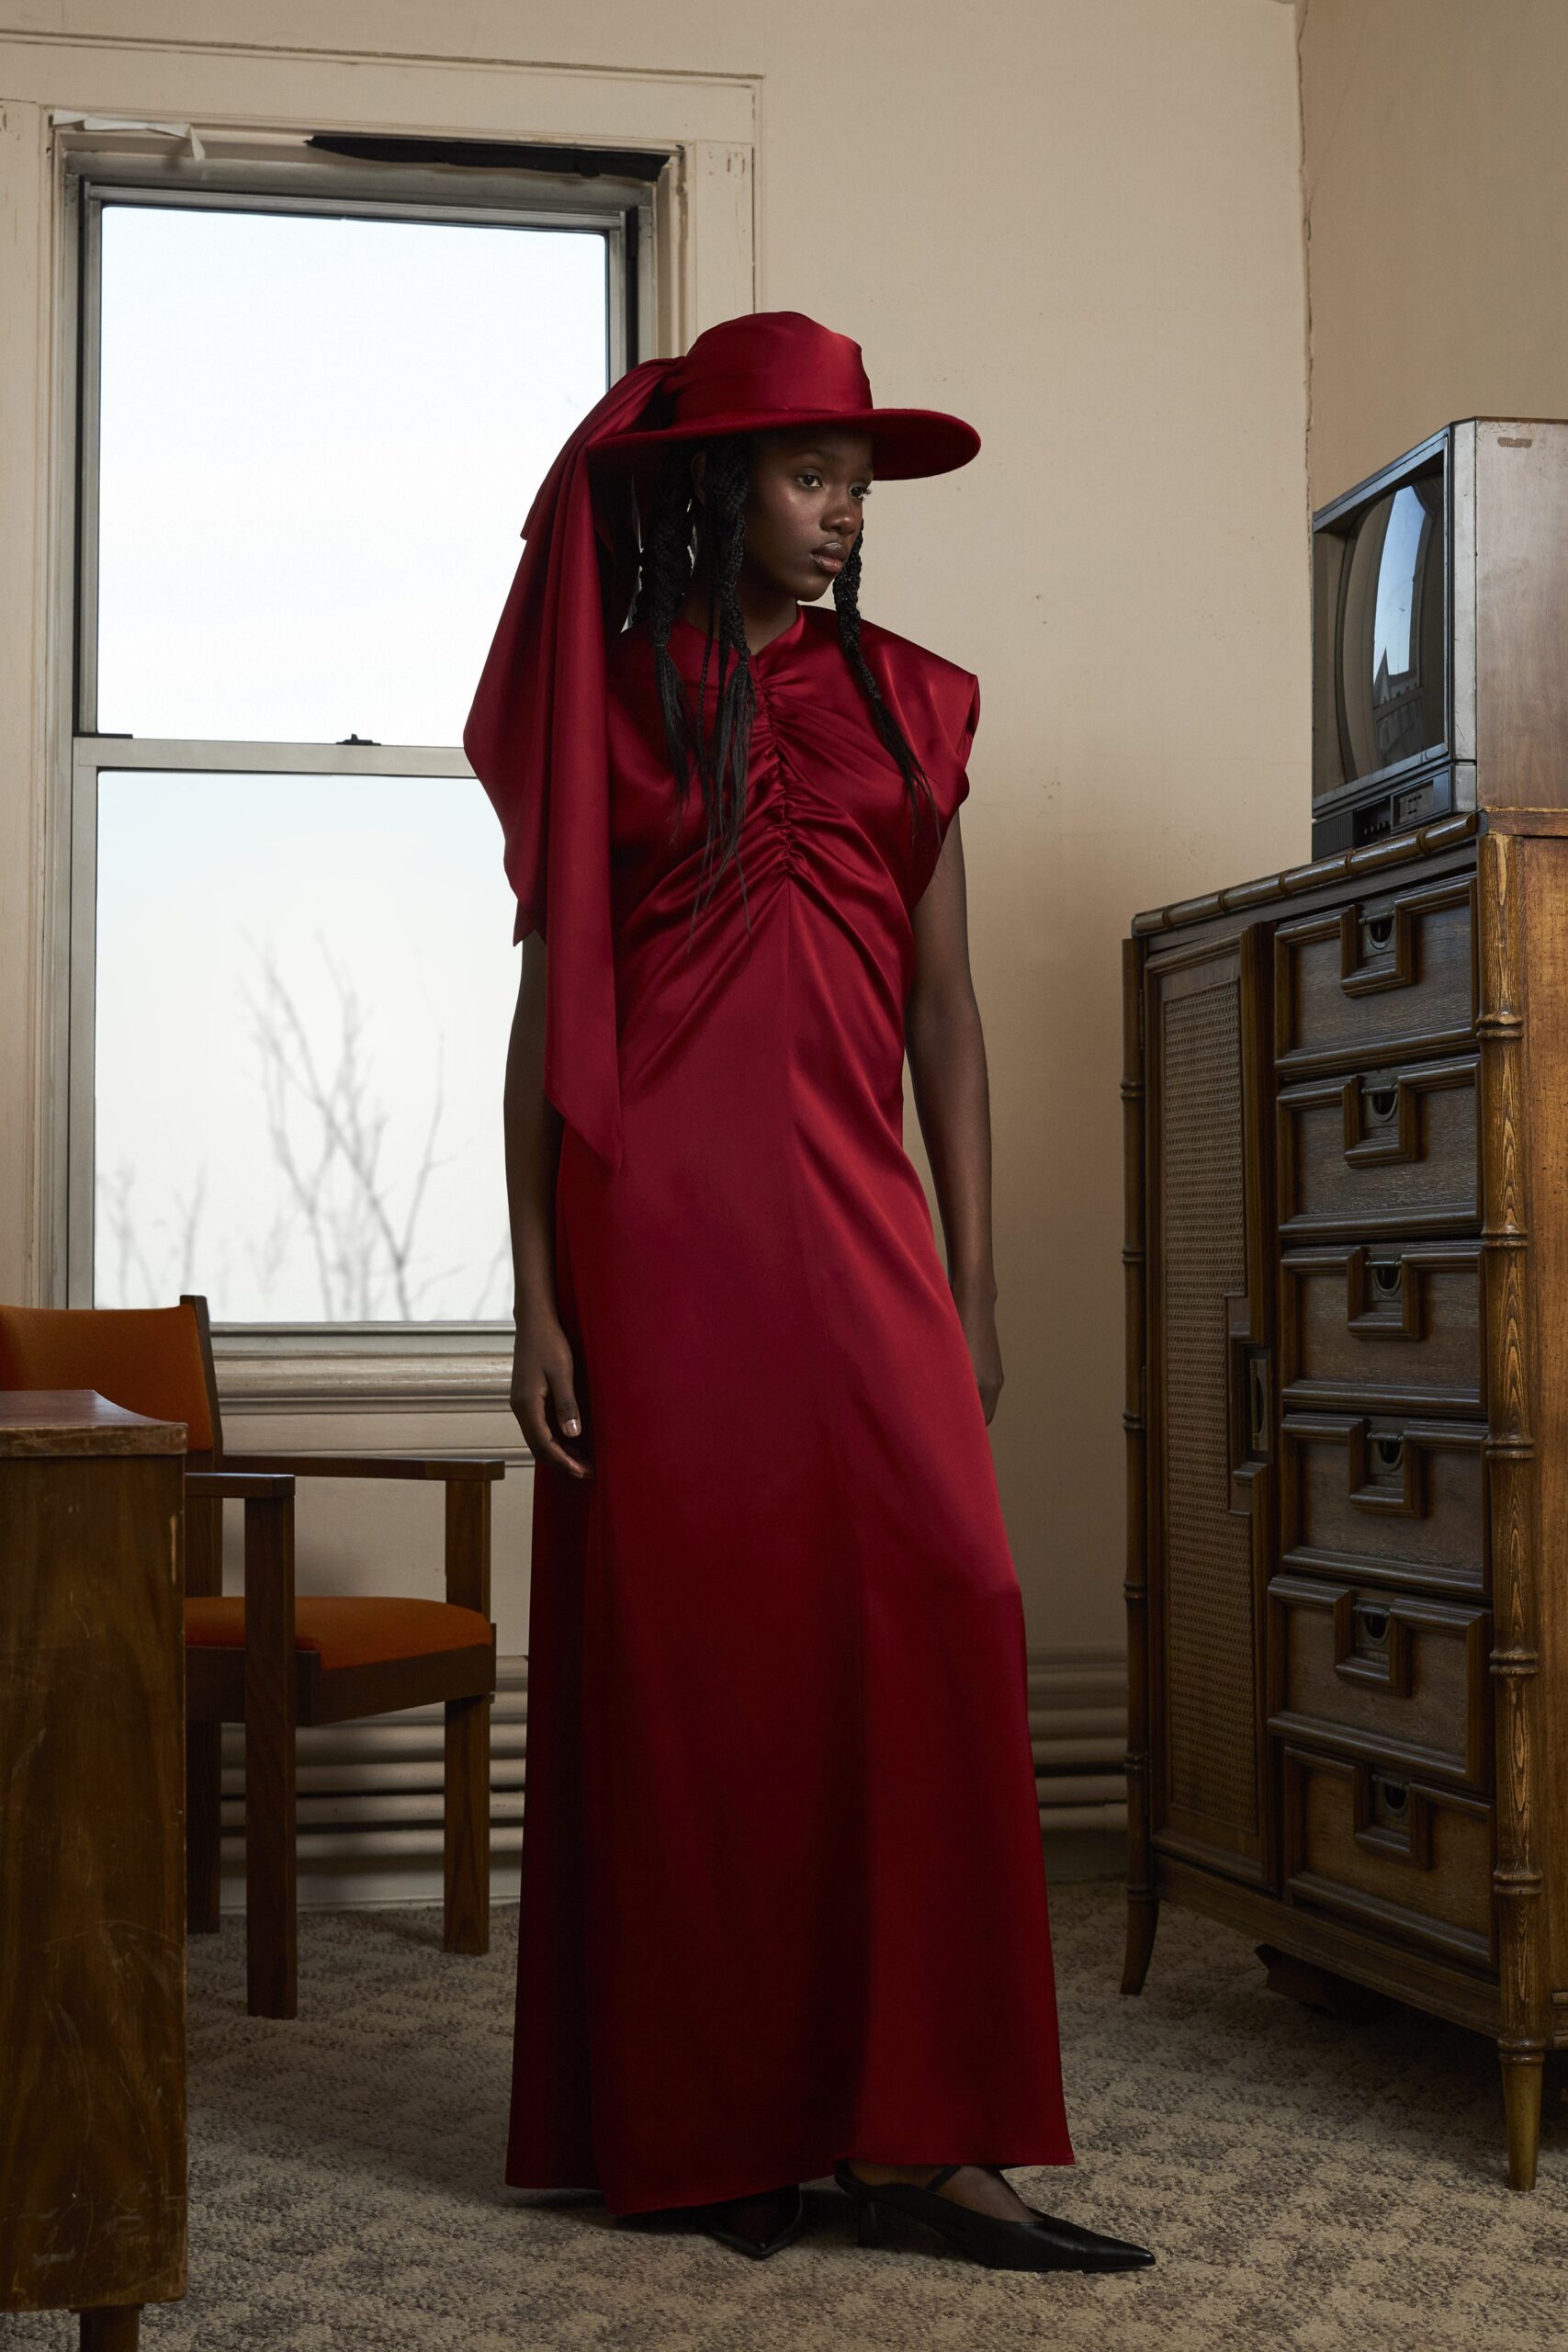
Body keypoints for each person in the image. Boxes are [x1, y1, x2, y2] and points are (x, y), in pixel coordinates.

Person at [465, 310, 1153, 2276]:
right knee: (703, 1669)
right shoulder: (614, 700)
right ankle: (717, 2126)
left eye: (856, 474)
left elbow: (943, 1018)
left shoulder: (917, 704)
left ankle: (932, 2135)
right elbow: (543, 1020)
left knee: (947, 1595)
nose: (843, 506)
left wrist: (972, 1268)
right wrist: (533, 1294)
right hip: (652, 1228)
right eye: (804, 469)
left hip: (851, 1216)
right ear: (714, 486)